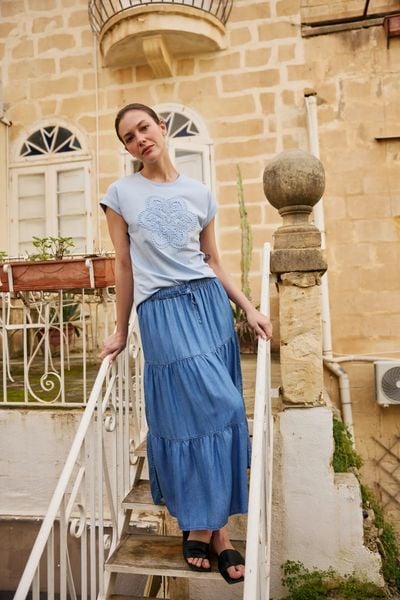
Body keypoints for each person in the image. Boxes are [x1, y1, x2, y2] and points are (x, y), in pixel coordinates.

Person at [100, 103, 272, 584]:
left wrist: (248, 307)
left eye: (144, 128)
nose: (139, 139)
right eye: (129, 137)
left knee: (223, 413)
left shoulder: (200, 193)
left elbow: (212, 260)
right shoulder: (120, 195)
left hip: (209, 306)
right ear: (127, 147)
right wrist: (121, 329)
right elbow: (124, 265)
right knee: (201, 413)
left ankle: (212, 531)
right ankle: (206, 527)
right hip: (161, 312)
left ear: (162, 128)